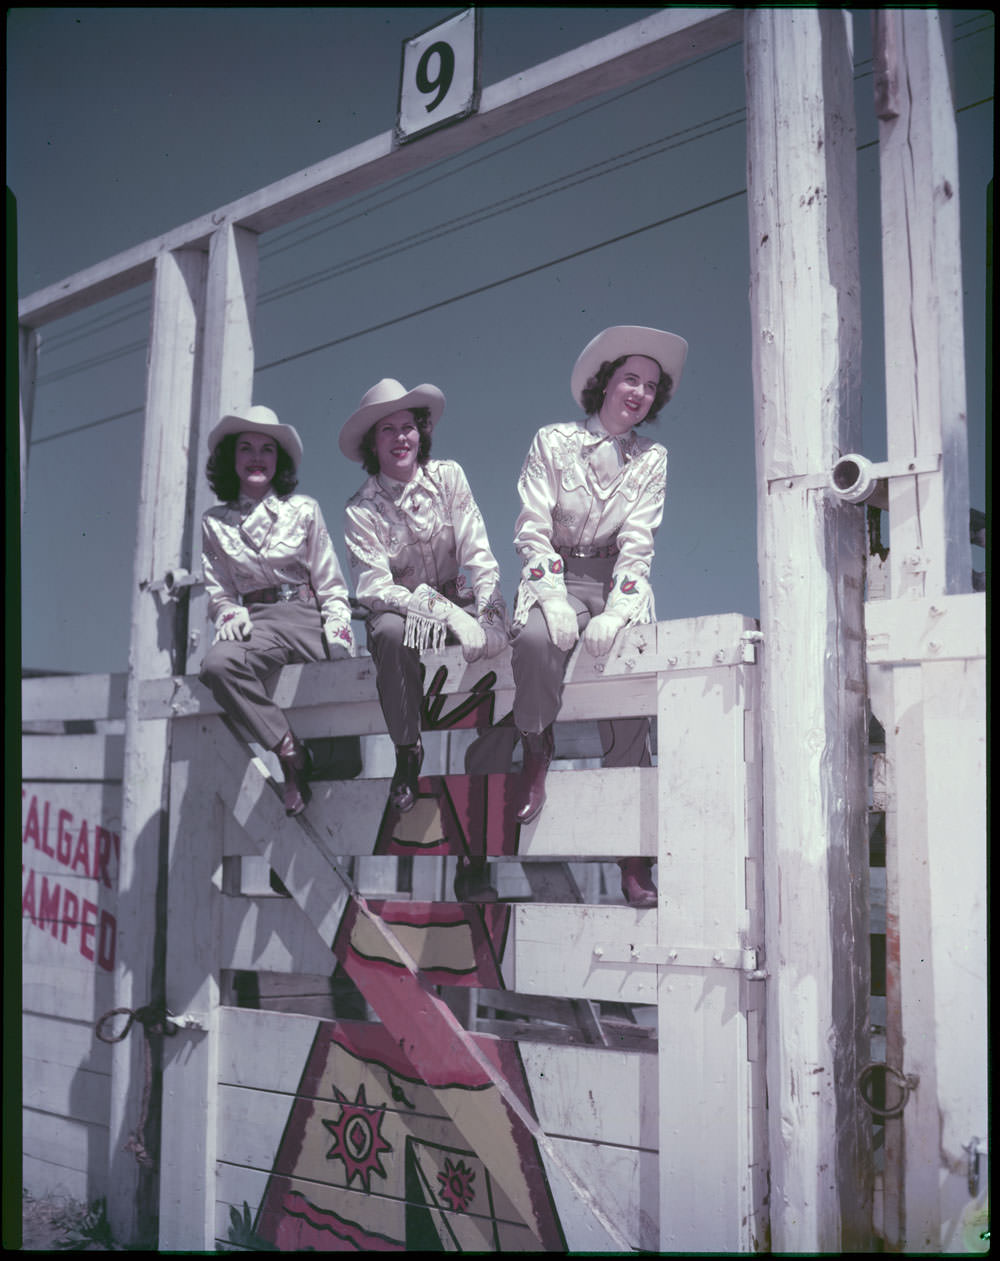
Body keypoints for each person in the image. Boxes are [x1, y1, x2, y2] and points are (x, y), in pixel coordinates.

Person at [509, 325, 688, 909]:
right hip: (558, 573)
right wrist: (554, 597)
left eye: (651, 386)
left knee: (630, 692)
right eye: (630, 378)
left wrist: (618, 608)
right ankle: (537, 746)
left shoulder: (652, 458)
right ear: (605, 382)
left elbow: (640, 542)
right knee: (537, 641)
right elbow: (532, 527)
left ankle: (634, 859)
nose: (638, 392)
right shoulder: (552, 441)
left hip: (617, 580)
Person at [341, 379, 509, 900]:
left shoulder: (449, 478)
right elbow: (374, 587)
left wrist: (486, 609)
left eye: (407, 427)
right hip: (415, 617)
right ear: (372, 443)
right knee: (387, 630)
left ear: (422, 431)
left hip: (463, 604)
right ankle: (407, 748)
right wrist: (442, 614)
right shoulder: (360, 510)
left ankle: (477, 849)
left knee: (509, 658)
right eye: (386, 430)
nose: (399, 438)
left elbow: (477, 547)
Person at [199, 405, 355, 816]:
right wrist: (228, 613)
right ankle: (290, 755)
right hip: (258, 623)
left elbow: (331, 583)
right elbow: (219, 592)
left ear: (277, 460)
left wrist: (338, 639)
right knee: (218, 664)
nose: (256, 457)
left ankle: (307, 788)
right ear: (231, 460)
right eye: (245, 448)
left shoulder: (303, 510)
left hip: (306, 615)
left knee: (339, 747)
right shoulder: (214, 523)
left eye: (266, 449)